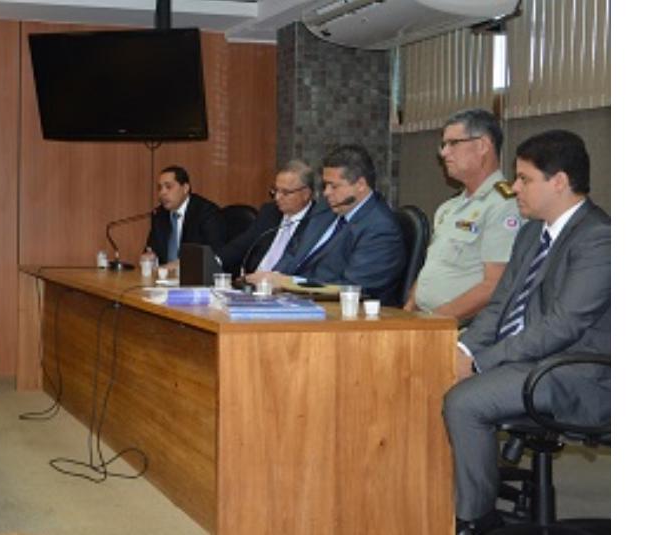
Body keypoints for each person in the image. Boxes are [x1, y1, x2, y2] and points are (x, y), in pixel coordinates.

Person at [443, 130, 610, 535]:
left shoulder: (599, 238)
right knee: (432, 375)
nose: (514, 188)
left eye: (524, 178)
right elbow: (500, 306)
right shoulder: (532, 232)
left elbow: (562, 326)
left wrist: (479, 364)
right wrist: (463, 350)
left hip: (577, 372)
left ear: (559, 181)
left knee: (465, 401)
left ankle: (476, 519)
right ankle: (437, 500)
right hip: (527, 360)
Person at [248, 144, 406, 305]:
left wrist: (288, 283)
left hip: (341, 311)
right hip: (291, 301)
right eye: (325, 185)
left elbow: (352, 288)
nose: (326, 193)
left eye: (334, 186)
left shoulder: (380, 228)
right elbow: (293, 252)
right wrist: (270, 280)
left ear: (360, 185)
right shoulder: (325, 209)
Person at [404, 109, 522, 322]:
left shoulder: (504, 205)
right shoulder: (449, 208)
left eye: (453, 143)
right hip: (426, 321)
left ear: (482, 145)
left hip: (463, 326)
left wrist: (434, 321)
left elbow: (494, 285)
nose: (444, 153)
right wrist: (408, 312)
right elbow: (432, 269)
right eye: (443, 145)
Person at [217, 160, 321, 277]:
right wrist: (215, 261)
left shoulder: (318, 222)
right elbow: (242, 244)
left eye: (285, 192)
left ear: (306, 194)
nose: (277, 197)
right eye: (275, 191)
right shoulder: (270, 211)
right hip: (253, 281)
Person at [144, 165, 226, 266]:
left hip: (195, 274)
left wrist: (182, 264)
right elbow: (151, 249)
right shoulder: (159, 214)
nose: (162, 193)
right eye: (160, 188)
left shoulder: (206, 212)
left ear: (185, 188)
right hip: (164, 274)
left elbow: (215, 253)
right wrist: (149, 256)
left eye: (168, 187)